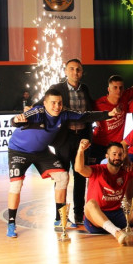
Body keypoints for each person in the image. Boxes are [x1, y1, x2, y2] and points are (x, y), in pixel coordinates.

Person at [5, 88, 119, 238]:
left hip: (41, 152)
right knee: (16, 185)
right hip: (18, 151)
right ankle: (11, 223)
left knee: (63, 177)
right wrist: (15, 120)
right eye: (53, 103)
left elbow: (84, 116)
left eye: (59, 103)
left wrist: (108, 114)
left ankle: (59, 219)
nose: (57, 106)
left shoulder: (64, 113)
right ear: (45, 103)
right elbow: (15, 120)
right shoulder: (37, 113)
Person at [46, 58, 95, 225]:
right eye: (72, 69)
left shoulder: (85, 88)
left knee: (80, 176)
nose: (75, 72)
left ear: (82, 72)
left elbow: (91, 110)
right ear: (66, 71)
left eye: (78, 69)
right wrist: (31, 108)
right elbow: (45, 103)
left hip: (82, 138)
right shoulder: (57, 88)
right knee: (62, 177)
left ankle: (79, 214)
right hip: (64, 139)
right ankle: (60, 216)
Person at [90, 54, 133, 165]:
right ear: (109, 89)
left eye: (121, 87)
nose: (118, 90)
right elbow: (86, 116)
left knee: (116, 171)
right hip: (98, 144)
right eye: (115, 87)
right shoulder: (98, 104)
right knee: (95, 171)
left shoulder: (125, 96)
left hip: (116, 145)